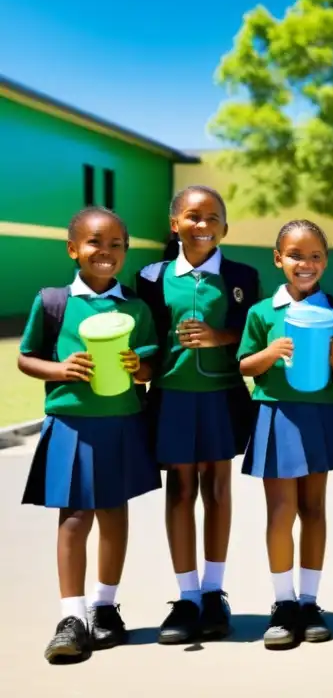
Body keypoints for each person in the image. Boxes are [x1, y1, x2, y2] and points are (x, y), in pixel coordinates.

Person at [19, 207, 161, 664]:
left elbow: (151, 365)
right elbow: (26, 358)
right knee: (75, 518)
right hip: (71, 423)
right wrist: (60, 370)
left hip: (120, 422)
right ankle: (71, 617)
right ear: (73, 249)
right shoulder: (54, 301)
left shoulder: (135, 306)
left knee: (114, 513)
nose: (106, 252)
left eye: (117, 244)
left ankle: (104, 607)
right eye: (95, 243)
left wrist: (137, 367)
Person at [135, 185, 261, 645]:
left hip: (221, 395)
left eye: (212, 218)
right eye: (192, 216)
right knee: (180, 490)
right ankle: (186, 596)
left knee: (218, 488)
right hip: (171, 395)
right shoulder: (150, 277)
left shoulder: (242, 275)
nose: (202, 225)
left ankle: (213, 592)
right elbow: (144, 337)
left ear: (225, 227)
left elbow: (253, 333)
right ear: (175, 225)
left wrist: (219, 337)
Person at [238, 220, 333, 649]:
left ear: (325, 260)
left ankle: (309, 601)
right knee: (281, 511)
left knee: (314, 509)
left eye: (316, 256)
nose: (306, 264)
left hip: (318, 415)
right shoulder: (263, 312)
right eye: (296, 255)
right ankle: (282, 603)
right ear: (278, 258)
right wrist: (269, 352)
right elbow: (245, 365)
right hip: (276, 415)